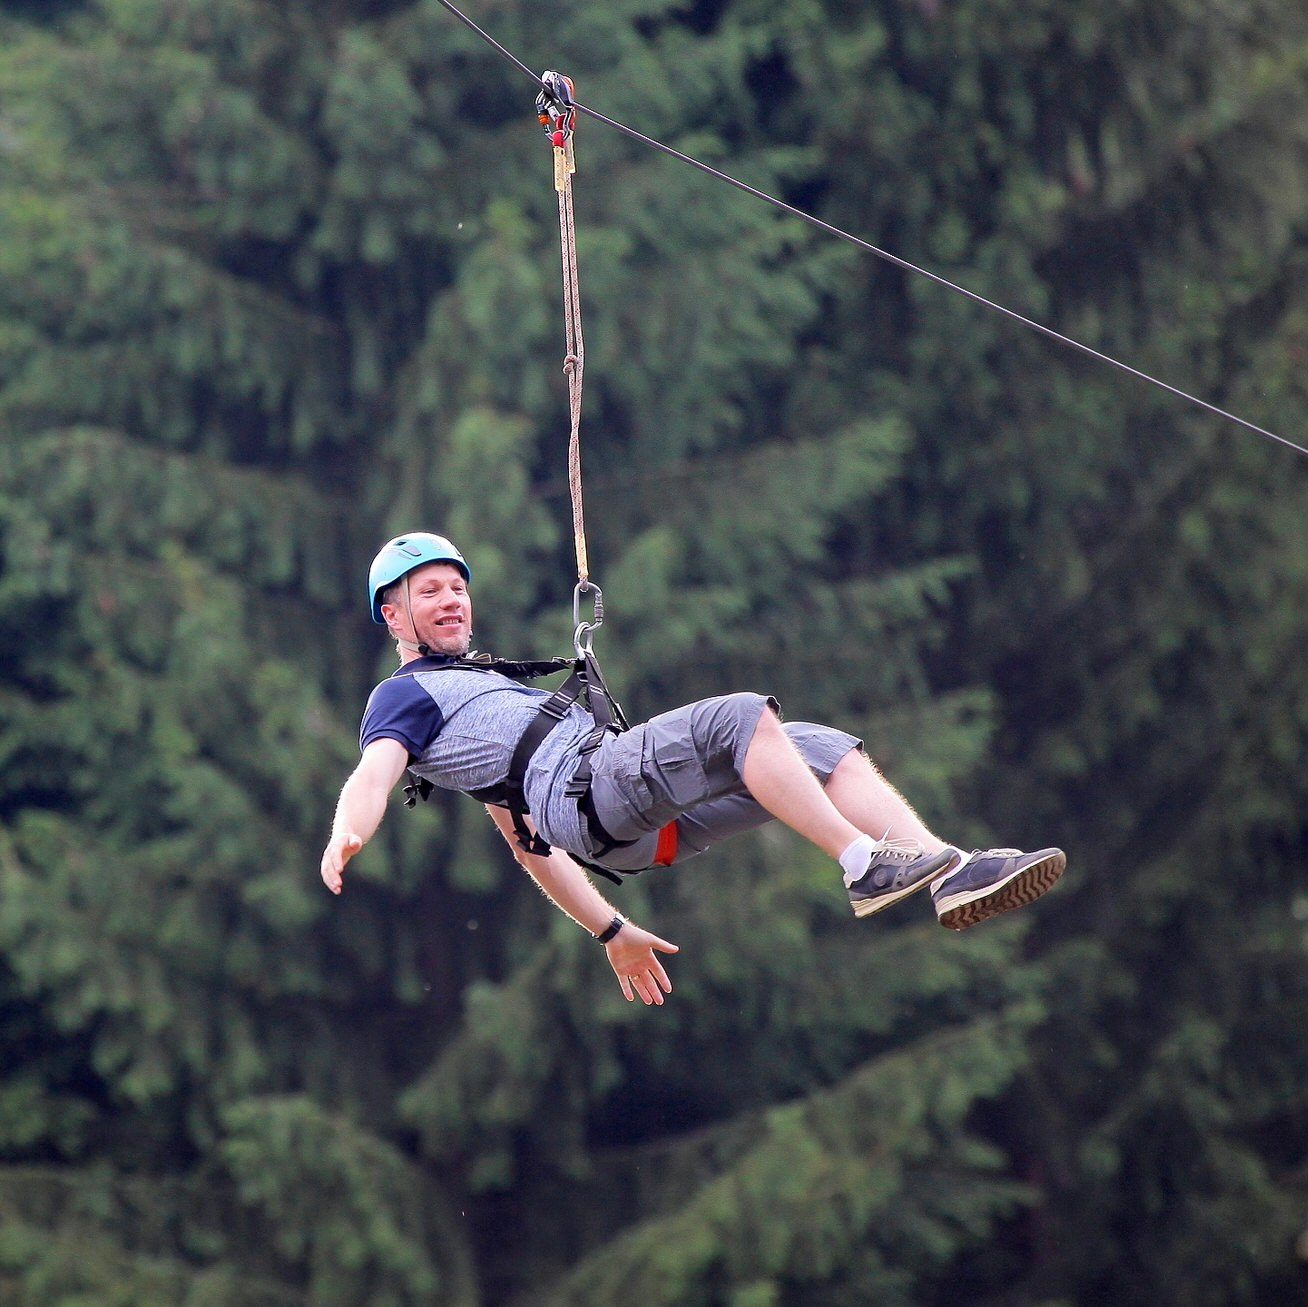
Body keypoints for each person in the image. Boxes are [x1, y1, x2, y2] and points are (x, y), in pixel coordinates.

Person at [321, 533, 1066, 1006]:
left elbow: (526, 842)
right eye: (430, 591)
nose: (451, 599)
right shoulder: (404, 696)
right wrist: (346, 833)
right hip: (596, 790)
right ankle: (863, 862)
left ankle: (953, 872)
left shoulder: (482, 695)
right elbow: (372, 774)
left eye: (457, 587)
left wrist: (609, 928)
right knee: (738, 716)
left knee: (819, 745)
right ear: (392, 616)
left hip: (624, 827)